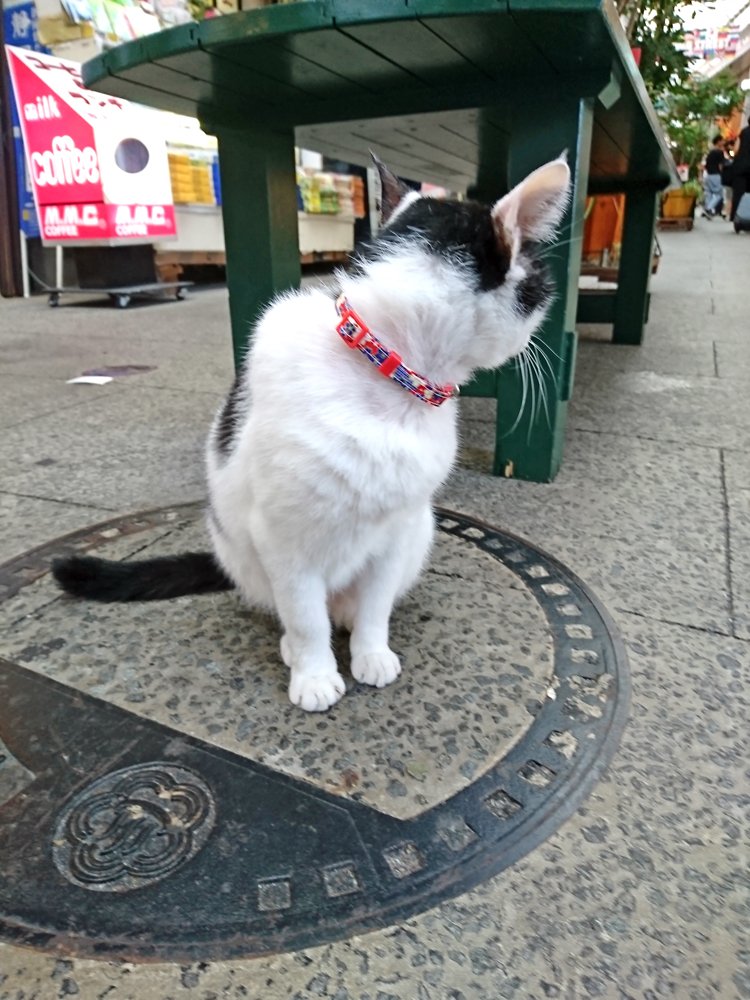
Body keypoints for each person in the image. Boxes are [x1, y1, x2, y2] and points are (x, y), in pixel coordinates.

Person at [730, 117, 750, 222]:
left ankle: (735, 216)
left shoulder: (743, 132)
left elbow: (736, 150)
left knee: (738, 193)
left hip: (741, 167)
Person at [702, 134, 726, 218]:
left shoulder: (710, 152)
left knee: (709, 193)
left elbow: (706, 165)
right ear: (718, 141)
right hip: (716, 175)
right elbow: (721, 166)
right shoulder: (720, 152)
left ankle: (707, 210)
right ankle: (709, 208)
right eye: (722, 140)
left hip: (708, 175)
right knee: (719, 194)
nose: (724, 142)